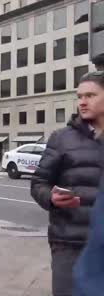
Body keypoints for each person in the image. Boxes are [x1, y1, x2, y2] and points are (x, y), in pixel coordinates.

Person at [32, 72, 104, 296]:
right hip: (69, 242)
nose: (82, 101)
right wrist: (51, 198)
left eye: (90, 95)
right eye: (79, 96)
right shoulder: (61, 138)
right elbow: (38, 183)